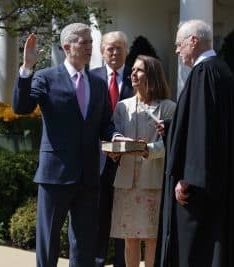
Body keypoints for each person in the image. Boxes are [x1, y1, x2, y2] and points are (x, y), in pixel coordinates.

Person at [12, 23, 120, 267]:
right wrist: (27, 68)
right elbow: (21, 108)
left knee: (84, 246)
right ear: (66, 47)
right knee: (48, 244)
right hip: (55, 175)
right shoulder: (46, 78)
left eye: (91, 43)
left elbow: (105, 123)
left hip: (89, 176)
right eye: (84, 43)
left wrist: (115, 137)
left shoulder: (98, 83)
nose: (89, 48)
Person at [154, 19, 234, 267]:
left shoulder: (203, 72)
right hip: (218, 178)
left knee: (195, 252)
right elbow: (212, 125)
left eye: (178, 44)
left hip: (200, 189)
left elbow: (202, 129)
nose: (176, 50)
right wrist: (173, 129)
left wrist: (188, 178)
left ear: (193, 41)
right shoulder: (222, 70)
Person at [110, 55, 175, 267]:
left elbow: (173, 145)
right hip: (126, 182)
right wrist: (114, 150)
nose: (133, 74)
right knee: (130, 239)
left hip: (153, 182)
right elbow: (114, 137)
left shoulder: (168, 108)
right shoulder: (122, 107)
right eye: (133, 70)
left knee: (152, 239)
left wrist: (148, 150)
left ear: (152, 75)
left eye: (139, 70)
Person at [90, 31, 133, 267]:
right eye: (110, 48)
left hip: (128, 160)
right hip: (98, 159)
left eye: (119, 48)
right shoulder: (90, 78)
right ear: (102, 51)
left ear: (126, 50)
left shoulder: (137, 78)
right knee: (99, 216)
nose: (115, 52)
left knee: (123, 217)